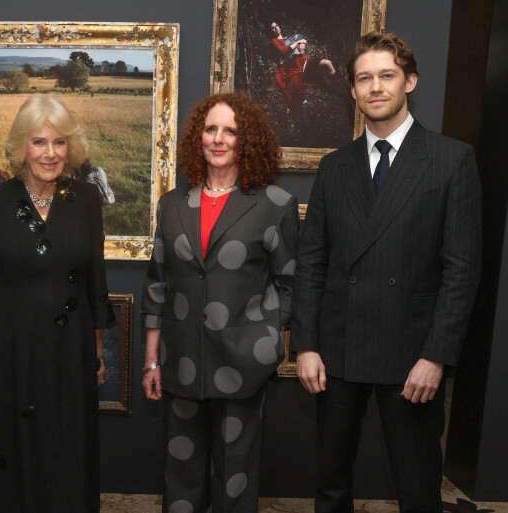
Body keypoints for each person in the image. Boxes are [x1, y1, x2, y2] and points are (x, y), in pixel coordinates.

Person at [291, 32, 482, 513]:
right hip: (337, 351)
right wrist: (307, 344)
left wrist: (436, 357)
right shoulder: (334, 167)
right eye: (364, 78)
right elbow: (312, 262)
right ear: (353, 90)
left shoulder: (450, 159)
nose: (376, 87)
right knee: (331, 487)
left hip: (411, 356)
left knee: (417, 491)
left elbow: (461, 271)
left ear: (409, 82)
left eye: (387, 76)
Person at [141, 92, 299, 513]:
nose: (219, 138)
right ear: (199, 137)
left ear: (248, 141)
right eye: (211, 129)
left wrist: (265, 338)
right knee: (182, 475)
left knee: (235, 478)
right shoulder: (172, 204)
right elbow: (157, 285)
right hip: (181, 363)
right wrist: (152, 361)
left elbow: (290, 284)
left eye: (231, 130)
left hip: (244, 364)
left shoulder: (275, 205)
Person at [0, 94, 108, 512]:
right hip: (7, 349)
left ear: (70, 147)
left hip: (70, 349)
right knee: (9, 448)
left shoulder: (87, 200)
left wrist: (96, 352)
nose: (50, 153)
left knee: (67, 448)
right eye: (39, 142)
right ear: (22, 146)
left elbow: (97, 280)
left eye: (59, 143)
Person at [269, 22, 337, 123]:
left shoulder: (289, 38)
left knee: (327, 63)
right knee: (300, 94)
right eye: (273, 28)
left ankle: (338, 87)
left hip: (304, 61)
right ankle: (306, 124)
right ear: (271, 31)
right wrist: (297, 42)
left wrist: (302, 42)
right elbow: (283, 50)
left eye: (276, 26)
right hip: (292, 67)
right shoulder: (274, 41)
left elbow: (301, 37)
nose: (276, 29)